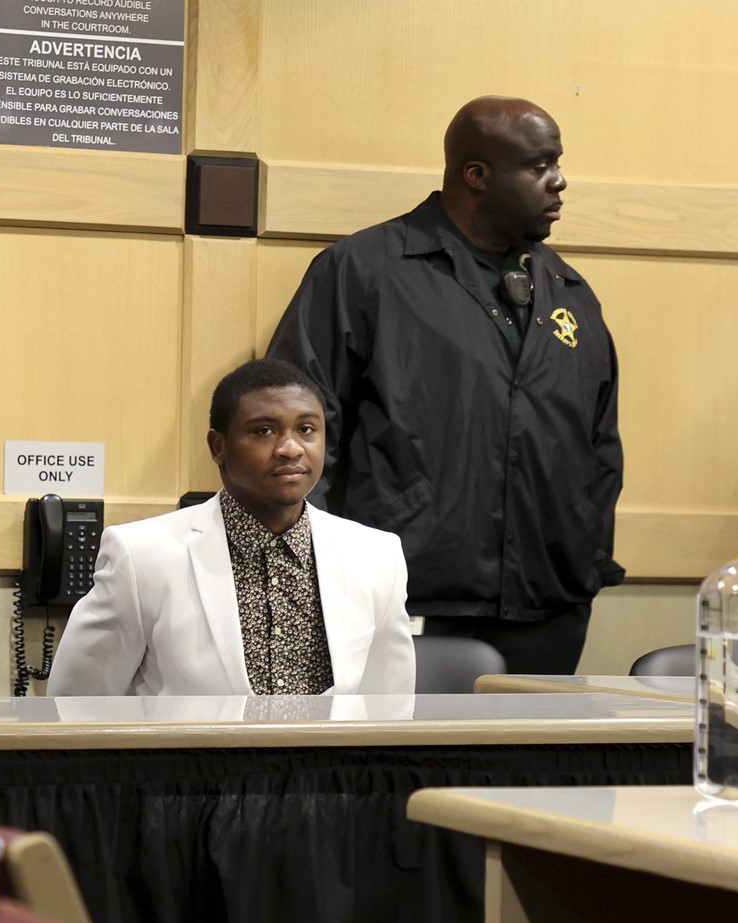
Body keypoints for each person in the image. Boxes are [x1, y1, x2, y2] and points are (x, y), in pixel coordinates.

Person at [264, 95, 621, 675]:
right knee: (406, 767)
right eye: (540, 166)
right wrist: (319, 576)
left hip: (549, 603)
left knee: (526, 766)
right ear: (476, 175)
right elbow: (297, 434)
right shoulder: (365, 270)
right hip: (409, 599)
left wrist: (585, 557)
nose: (560, 182)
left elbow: (599, 445)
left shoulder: (569, 290)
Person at [47, 359, 415, 697]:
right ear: (218, 447)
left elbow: (388, 711)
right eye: (264, 431)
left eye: (306, 429)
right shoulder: (141, 556)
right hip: (193, 768)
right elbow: (77, 706)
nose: (291, 448)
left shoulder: (376, 556)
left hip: (329, 770)